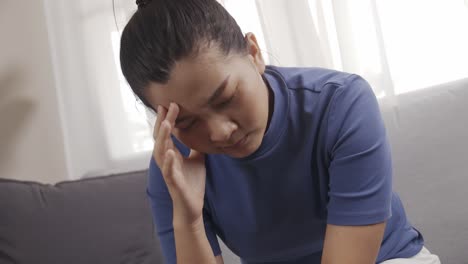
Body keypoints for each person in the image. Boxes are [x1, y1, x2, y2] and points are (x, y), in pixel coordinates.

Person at [119, 0, 441, 263]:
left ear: (253, 52)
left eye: (227, 98)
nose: (219, 132)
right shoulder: (174, 167)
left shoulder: (341, 105)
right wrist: (188, 220)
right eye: (187, 123)